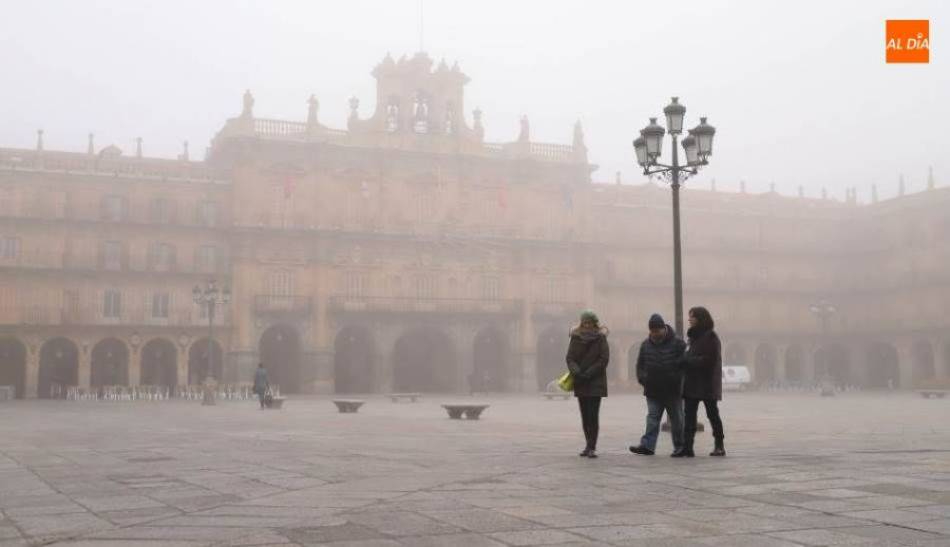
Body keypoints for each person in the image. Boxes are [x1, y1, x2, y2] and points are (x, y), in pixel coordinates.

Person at [630, 313, 688, 457]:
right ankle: (647, 446)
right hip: (652, 390)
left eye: (657, 330)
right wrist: (643, 379)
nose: (654, 334)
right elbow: (640, 365)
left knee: (677, 420)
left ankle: (680, 447)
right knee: (652, 418)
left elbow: (684, 365)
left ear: (664, 328)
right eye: (652, 331)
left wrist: (677, 379)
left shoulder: (678, 344)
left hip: (672, 390)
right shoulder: (645, 344)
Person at [566, 310, 610, 458]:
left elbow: (604, 359)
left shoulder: (601, 338)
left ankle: (592, 446)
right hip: (580, 381)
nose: (587, 326)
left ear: (594, 323)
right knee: (585, 415)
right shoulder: (575, 338)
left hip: (595, 381)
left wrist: (589, 373)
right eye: (584, 323)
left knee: (593, 415)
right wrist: (577, 371)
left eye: (589, 323)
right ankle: (587, 444)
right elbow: (570, 358)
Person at [682, 306, 725, 457]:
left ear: (700, 318)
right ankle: (687, 447)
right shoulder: (693, 337)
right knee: (689, 416)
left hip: (707, 383)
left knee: (712, 414)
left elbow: (709, 361)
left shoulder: (711, 337)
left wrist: (688, 360)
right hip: (692, 382)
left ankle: (719, 445)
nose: (689, 319)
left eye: (692, 316)